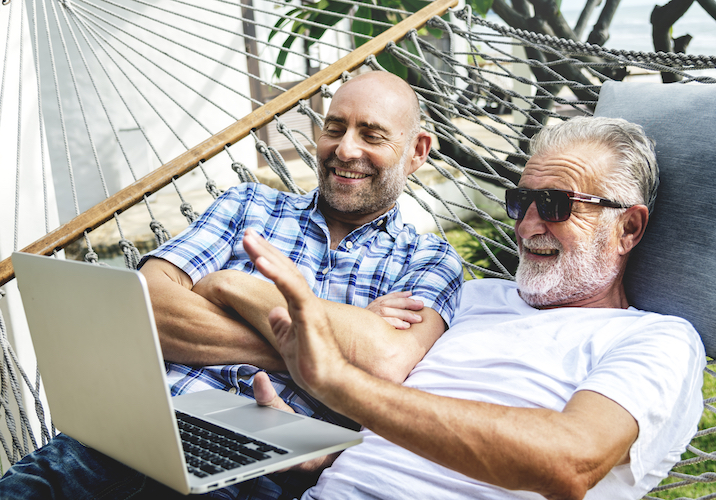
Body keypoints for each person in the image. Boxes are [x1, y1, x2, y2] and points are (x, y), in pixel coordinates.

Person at [0, 70, 463, 499]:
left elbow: (384, 363)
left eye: (372, 134)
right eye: (335, 128)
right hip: (139, 425)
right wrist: (320, 351)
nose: (345, 149)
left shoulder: (429, 261)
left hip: (266, 461)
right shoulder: (248, 205)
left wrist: (232, 287)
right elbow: (144, 311)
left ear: (417, 151)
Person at [243, 116, 706, 500]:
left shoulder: (658, 339)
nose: (527, 227)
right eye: (522, 201)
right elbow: (404, 435)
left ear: (627, 227)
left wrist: (340, 384)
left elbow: (570, 461)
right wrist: (323, 452)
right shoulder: (472, 297)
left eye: (555, 205)